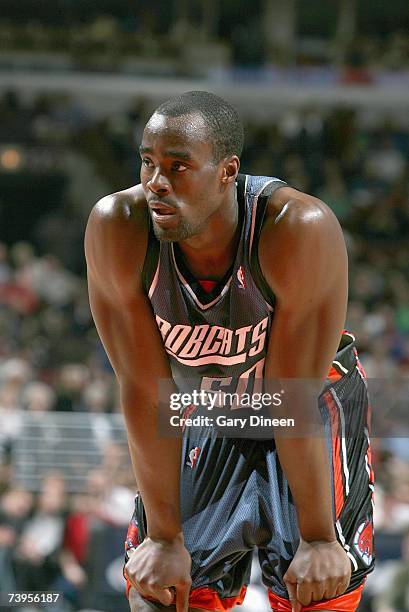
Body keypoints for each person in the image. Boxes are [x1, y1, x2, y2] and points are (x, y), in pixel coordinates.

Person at [85, 91, 375, 612]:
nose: (157, 183)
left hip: (303, 401)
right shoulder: (117, 226)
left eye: (178, 167)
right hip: (208, 401)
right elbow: (146, 389)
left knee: (319, 585)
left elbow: (291, 397)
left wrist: (316, 538)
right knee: (159, 588)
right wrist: (165, 538)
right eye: (148, 163)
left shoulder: (295, 229)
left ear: (227, 171)